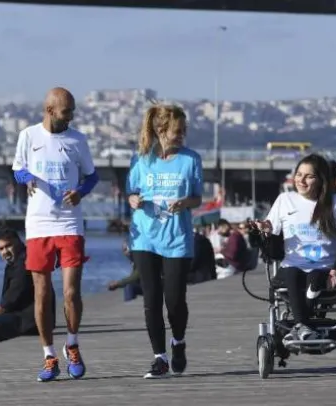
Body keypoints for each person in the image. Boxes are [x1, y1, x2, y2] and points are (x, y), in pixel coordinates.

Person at [11, 87, 99, 382]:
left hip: (70, 223)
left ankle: (72, 345)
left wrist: (81, 192)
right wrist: (27, 178)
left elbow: (92, 176)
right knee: (42, 293)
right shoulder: (28, 136)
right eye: (66, 111)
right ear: (50, 110)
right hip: (39, 224)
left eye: (72, 110)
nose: (71, 116)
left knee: (71, 292)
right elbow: (18, 170)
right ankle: (49, 355)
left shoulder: (78, 140)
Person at [126, 104, 203, 379]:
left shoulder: (191, 159)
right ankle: (159, 358)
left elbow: (198, 198)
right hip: (145, 238)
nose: (182, 136)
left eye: (184, 131)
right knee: (151, 299)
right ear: (161, 130)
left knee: (175, 300)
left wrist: (185, 202)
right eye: (177, 131)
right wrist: (133, 199)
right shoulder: (141, 159)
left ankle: (178, 342)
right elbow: (131, 191)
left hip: (177, 238)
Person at [250, 154, 336, 342]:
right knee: (292, 272)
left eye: (309, 176)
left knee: (314, 276)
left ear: (321, 179)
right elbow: (272, 251)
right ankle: (303, 326)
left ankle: (300, 326)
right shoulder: (285, 200)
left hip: (324, 268)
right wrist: (267, 232)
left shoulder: (335, 202)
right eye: (298, 175)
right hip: (292, 266)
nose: (301, 180)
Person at [0, 228, 53, 344]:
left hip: (30, 320)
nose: (5, 251)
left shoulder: (23, 262)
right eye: (1, 249)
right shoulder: (17, 262)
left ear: (18, 242)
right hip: (31, 317)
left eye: (8, 246)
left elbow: (16, 290)